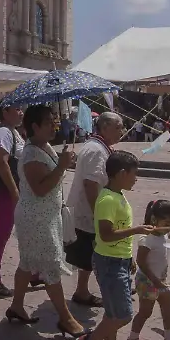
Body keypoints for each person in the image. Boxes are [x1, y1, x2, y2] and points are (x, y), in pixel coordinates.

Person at [4, 104, 85, 337]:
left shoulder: (44, 146)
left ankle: (17, 306)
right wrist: (61, 166)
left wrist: (62, 162)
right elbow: (40, 188)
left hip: (45, 215)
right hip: (36, 218)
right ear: (34, 126)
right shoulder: (30, 153)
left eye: (54, 121)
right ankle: (66, 319)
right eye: (49, 122)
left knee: (27, 262)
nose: (54, 126)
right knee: (50, 266)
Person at [74, 150, 157, 340]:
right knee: (123, 314)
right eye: (133, 174)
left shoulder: (118, 196)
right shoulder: (108, 199)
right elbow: (106, 234)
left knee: (112, 312)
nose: (136, 178)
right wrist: (138, 229)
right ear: (121, 173)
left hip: (118, 260)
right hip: (109, 263)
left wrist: (128, 257)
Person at [64, 112, 125, 308]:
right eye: (118, 127)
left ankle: (83, 290)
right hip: (91, 212)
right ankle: (107, 288)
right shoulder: (97, 150)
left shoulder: (98, 147)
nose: (121, 131)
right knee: (96, 252)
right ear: (105, 127)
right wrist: (100, 215)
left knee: (89, 254)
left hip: (92, 211)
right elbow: (91, 184)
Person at [125, 200, 170, 340]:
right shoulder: (146, 239)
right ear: (154, 219)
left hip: (160, 280)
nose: (169, 226)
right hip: (148, 281)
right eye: (166, 222)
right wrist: (155, 280)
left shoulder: (163, 233)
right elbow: (141, 262)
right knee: (145, 312)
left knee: (169, 308)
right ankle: (132, 339)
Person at [0, 104, 25, 297]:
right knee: (1, 235)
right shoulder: (3, 133)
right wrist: (14, 191)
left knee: (25, 231)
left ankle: (31, 272)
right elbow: (1, 162)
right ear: (5, 112)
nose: (21, 112)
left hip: (12, 191)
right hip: (4, 192)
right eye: (17, 109)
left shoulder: (13, 132)